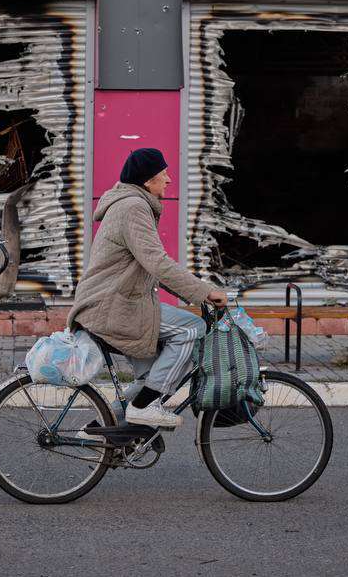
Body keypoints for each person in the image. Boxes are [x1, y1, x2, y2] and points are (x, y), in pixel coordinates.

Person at [68, 147, 228, 428]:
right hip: (113, 307)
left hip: (115, 303)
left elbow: (153, 268)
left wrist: (193, 294)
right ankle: (143, 408)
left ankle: (101, 431)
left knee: (151, 375)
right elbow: (157, 262)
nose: (168, 180)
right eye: (163, 174)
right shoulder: (134, 207)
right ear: (147, 180)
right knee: (192, 328)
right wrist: (204, 292)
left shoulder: (131, 204)